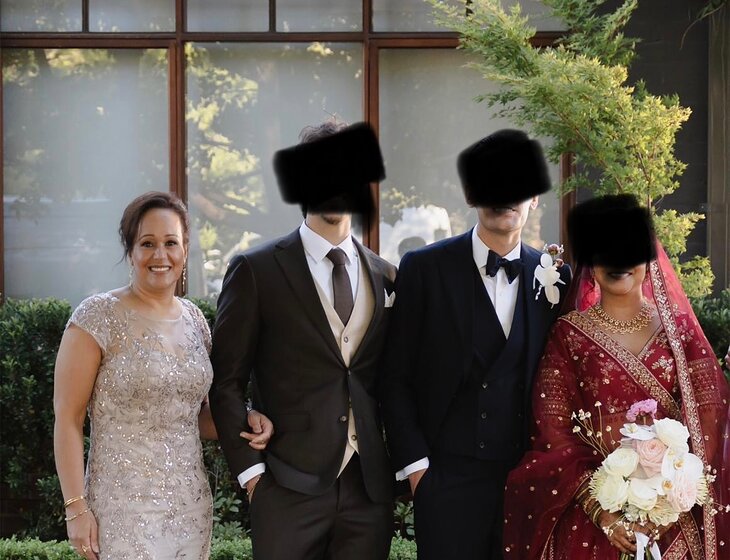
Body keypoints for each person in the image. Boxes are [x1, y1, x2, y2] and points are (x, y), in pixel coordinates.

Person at [503, 194, 730, 560]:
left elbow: (711, 416)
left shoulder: (681, 333)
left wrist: (670, 502)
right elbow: (552, 429)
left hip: (675, 520)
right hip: (591, 519)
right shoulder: (568, 336)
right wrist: (603, 512)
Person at [209, 122, 397, 560]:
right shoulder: (256, 270)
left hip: (368, 491)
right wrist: (253, 476)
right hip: (285, 488)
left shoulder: (386, 275)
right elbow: (225, 381)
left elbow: (394, 379)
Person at [381, 129, 571, 560]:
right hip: (445, 483)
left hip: (527, 483)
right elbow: (394, 377)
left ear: (535, 197)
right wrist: (418, 471)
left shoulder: (555, 277)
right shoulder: (424, 268)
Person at [53, 191, 272, 560]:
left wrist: (245, 418)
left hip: (190, 508)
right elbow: (67, 419)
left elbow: (195, 417)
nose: (160, 255)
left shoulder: (196, 321)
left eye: (171, 243)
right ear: (130, 251)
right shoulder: (96, 317)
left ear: (185, 250)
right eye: (147, 243)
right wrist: (76, 507)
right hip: (121, 510)